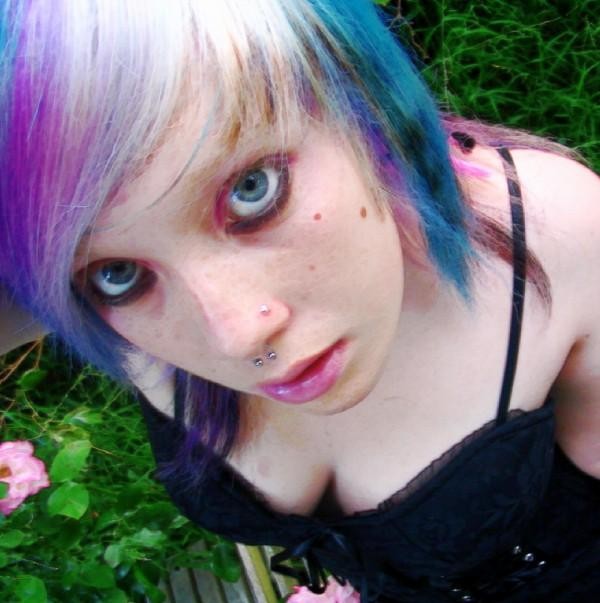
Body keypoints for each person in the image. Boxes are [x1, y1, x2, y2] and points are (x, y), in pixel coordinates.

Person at [1, 1, 599, 601]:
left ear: (358, 98)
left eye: (253, 189)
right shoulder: (113, 317)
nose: (236, 337)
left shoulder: (555, 236)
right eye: (119, 274)